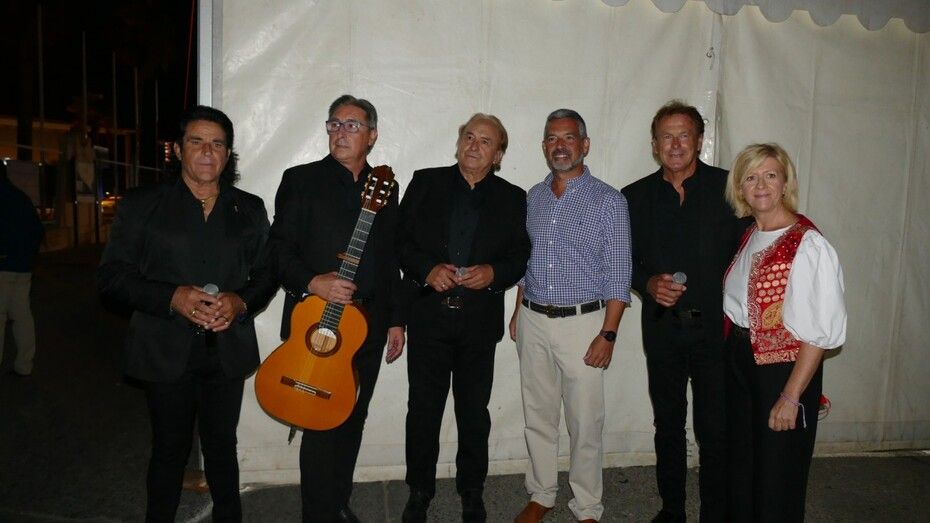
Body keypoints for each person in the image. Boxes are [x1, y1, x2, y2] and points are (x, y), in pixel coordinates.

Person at [97, 105, 277, 522]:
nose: (207, 152)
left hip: (226, 351)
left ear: (228, 154)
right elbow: (111, 277)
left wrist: (240, 301)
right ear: (178, 150)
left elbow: (268, 273)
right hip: (164, 349)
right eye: (197, 141)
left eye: (218, 144)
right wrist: (172, 297)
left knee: (222, 447)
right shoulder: (143, 205)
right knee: (169, 449)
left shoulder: (249, 208)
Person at [268, 94, 406, 522]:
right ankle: (316, 514)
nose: (341, 132)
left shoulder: (385, 188)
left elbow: (390, 258)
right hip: (317, 324)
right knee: (318, 421)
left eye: (352, 125)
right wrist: (314, 282)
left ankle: (337, 503)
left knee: (352, 416)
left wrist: (396, 320)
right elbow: (277, 250)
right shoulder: (300, 180)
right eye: (335, 124)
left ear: (372, 136)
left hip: (369, 325)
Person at [398, 113, 530, 522]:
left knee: (474, 413)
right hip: (428, 318)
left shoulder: (513, 197)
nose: (474, 145)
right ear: (458, 143)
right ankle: (419, 490)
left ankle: (472, 490)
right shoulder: (425, 182)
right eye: (468, 137)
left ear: (498, 155)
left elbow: (520, 256)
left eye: (485, 141)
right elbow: (399, 241)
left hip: (478, 323)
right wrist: (426, 270)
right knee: (423, 410)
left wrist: (493, 273)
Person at [621, 100, 749, 522]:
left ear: (699, 140)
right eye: (666, 137)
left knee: (716, 428)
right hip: (662, 330)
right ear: (654, 144)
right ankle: (672, 509)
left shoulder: (731, 188)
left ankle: (715, 512)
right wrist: (647, 283)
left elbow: (753, 250)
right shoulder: (633, 197)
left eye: (684, 135)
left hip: (717, 331)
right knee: (668, 424)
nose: (675, 144)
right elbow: (621, 261)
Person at [509, 109, 631, 523]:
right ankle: (541, 494)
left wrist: (608, 333)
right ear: (543, 146)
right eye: (552, 138)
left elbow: (619, 273)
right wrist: (517, 311)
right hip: (533, 319)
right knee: (538, 415)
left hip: (584, 325)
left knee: (585, 422)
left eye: (568, 138)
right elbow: (526, 259)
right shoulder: (533, 197)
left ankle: (587, 506)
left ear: (585, 144)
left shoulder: (609, 201)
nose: (559, 146)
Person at [722, 143, 846, 522]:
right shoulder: (750, 235)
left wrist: (792, 396)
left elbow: (819, 332)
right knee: (743, 468)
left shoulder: (807, 244)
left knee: (778, 474)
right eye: (751, 177)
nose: (761, 185)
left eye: (770, 175)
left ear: (785, 183)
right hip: (742, 360)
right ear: (740, 188)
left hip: (783, 370)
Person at [0, 160, 44, 377]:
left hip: (3, 266)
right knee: (22, 315)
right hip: (23, 267)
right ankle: (24, 365)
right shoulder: (21, 197)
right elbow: (38, 231)